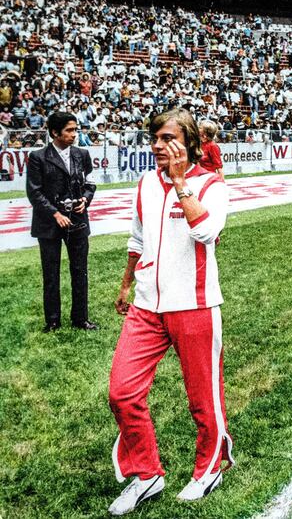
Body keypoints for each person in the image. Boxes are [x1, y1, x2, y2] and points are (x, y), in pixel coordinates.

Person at [108, 109, 233, 516]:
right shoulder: (145, 182)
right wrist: (127, 282)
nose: (159, 146)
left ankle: (210, 466)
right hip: (147, 305)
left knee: (203, 398)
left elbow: (206, 232)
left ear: (190, 141)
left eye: (167, 138)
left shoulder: (211, 184)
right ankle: (147, 474)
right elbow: (137, 236)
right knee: (122, 392)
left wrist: (181, 183)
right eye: (155, 139)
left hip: (194, 305)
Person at [26, 111, 98, 332]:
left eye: (75, 129)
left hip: (77, 221)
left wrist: (85, 200)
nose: (74, 134)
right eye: (69, 130)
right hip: (49, 224)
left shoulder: (82, 154)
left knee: (80, 271)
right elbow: (34, 192)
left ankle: (80, 318)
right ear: (54, 132)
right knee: (51, 273)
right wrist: (55, 214)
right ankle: (53, 320)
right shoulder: (38, 157)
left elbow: (89, 183)